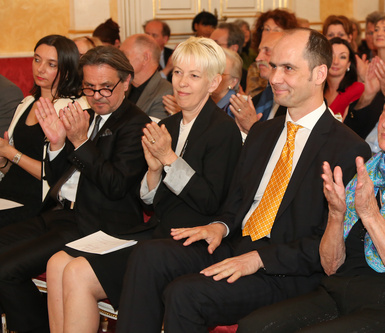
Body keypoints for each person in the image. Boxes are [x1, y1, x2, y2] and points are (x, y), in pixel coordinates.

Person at [115, 28, 372, 333]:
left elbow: (329, 242)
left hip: (286, 272)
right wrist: (219, 226)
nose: (275, 78)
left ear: (319, 74)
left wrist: (259, 259)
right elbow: (236, 201)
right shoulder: (263, 133)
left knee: (185, 293)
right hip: (235, 243)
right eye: (273, 66)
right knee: (149, 254)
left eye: (288, 68)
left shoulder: (348, 147)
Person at [45, 37, 242, 333]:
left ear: (214, 83)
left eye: (194, 75)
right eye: (177, 73)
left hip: (194, 238)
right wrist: (152, 172)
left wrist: (169, 159)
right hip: (159, 230)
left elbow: (210, 202)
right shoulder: (169, 125)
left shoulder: (223, 130)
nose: (182, 83)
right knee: (58, 263)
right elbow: (150, 201)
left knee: (77, 274)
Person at [238, 75, 385, 333]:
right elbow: (331, 267)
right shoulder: (366, 172)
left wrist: (371, 216)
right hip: (339, 291)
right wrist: (336, 214)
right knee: (253, 326)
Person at [0, 45, 150, 333]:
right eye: (89, 87)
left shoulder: (135, 124)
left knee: (6, 271)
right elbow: (56, 179)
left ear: (127, 81)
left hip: (96, 223)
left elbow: (116, 186)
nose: (96, 96)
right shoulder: (86, 114)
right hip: (59, 214)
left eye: (105, 88)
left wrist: (81, 142)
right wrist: (57, 145)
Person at [0, 35, 88, 228]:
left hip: (39, 203)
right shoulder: (27, 103)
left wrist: (11, 153)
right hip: (7, 194)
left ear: (67, 70)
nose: (40, 69)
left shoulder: (72, 110)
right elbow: (14, 169)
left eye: (51, 64)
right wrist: (3, 161)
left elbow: (57, 173)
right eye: (37, 59)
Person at [229, 32, 286, 135]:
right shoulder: (257, 101)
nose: (258, 58)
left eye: (267, 51)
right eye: (259, 51)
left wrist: (253, 127)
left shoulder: (295, 101)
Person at [120, 34, 173, 120]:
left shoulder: (165, 93)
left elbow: (148, 130)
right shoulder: (123, 87)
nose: (119, 60)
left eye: (124, 55)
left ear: (145, 58)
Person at [246, 9, 299, 96]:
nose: (270, 33)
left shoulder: (292, 72)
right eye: (267, 29)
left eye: (276, 30)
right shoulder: (256, 67)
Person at [324, 37, 364, 120]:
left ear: (349, 64)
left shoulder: (357, 89)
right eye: (331, 55)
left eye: (342, 57)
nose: (335, 62)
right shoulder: (317, 90)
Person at [209, 22, 247, 91]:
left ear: (233, 49)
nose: (209, 49)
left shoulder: (245, 78)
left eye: (216, 44)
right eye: (209, 44)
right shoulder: (204, 70)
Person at [211, 48, 242, 114]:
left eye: (220, 73)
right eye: (211, 70)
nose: (212, 76)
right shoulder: (202, 100)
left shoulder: (234, 110)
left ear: (233, 82)